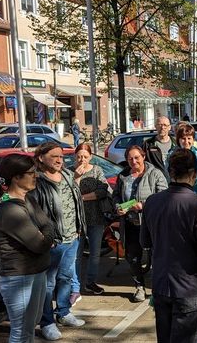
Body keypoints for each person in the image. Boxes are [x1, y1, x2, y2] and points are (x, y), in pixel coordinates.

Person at [140, 148, 197, 343]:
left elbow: (145, 242)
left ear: (170, 173)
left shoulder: (152, 201)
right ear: (194, 175)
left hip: (162, 284)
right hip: (191, 288)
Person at [0, 154, 55, 343]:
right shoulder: (9, 210)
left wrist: (45, 233)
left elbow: (47, 225)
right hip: (20, 277)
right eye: (31, 173)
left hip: (36, 272)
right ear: (16, 177)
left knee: (28, 329)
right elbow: (40, 243)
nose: (36, 176)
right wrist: (47, 236)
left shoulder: (28, 199)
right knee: (21, 332)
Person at [29, 142, 87, 341]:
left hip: (73, 237)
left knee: (66, 277)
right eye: (54, 156)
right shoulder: (36, 181)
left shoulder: (68, 175)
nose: (59, 159)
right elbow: (32, 214)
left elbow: (76, 201)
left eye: (61, 156)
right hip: (52, 242)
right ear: (41, 158)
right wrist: (44, 237)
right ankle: (47, 322)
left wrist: (79, 229)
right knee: (48, 283)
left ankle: (63, 312)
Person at [112, 145, 168, 302]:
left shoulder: (155, 173)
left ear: (143, 157)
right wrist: (118, 207)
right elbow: (116, 196)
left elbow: (163, 197)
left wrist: (144, 205)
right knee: (133, 257)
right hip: (129, 224)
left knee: (156, 256)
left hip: (150, 224)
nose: (133, 161)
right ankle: (139, 287)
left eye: (136, 157)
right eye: (130, 158)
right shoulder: (123, 175)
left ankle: (158, 289)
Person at [72, 143, 112, 295]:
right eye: (79, 156)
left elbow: (102, 191)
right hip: (77, 219)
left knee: (95, 252)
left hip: (96, 216)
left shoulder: (96, 170)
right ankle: (74, 286)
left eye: (85, 157)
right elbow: (70, 193)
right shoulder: (71, 172)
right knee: (76, 254)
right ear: (75, 157)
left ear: (91, 157)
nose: (82, 160)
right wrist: (77, 177)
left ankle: (90, 282)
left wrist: (82, 198)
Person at [174, 124, 197, 198]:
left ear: (193, 139)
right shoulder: (173, 156)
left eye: (189, 138)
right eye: (183, 138)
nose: (186, 141)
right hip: (180, 197)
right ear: (178, 140)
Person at [142, 116, 176, 181]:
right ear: (155, 126)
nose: (162, 127)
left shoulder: (176, 144)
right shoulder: (148, 144)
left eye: (165, 125)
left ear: (169, 127)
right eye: (159, 125)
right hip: (155, 181)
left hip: (174, 183)